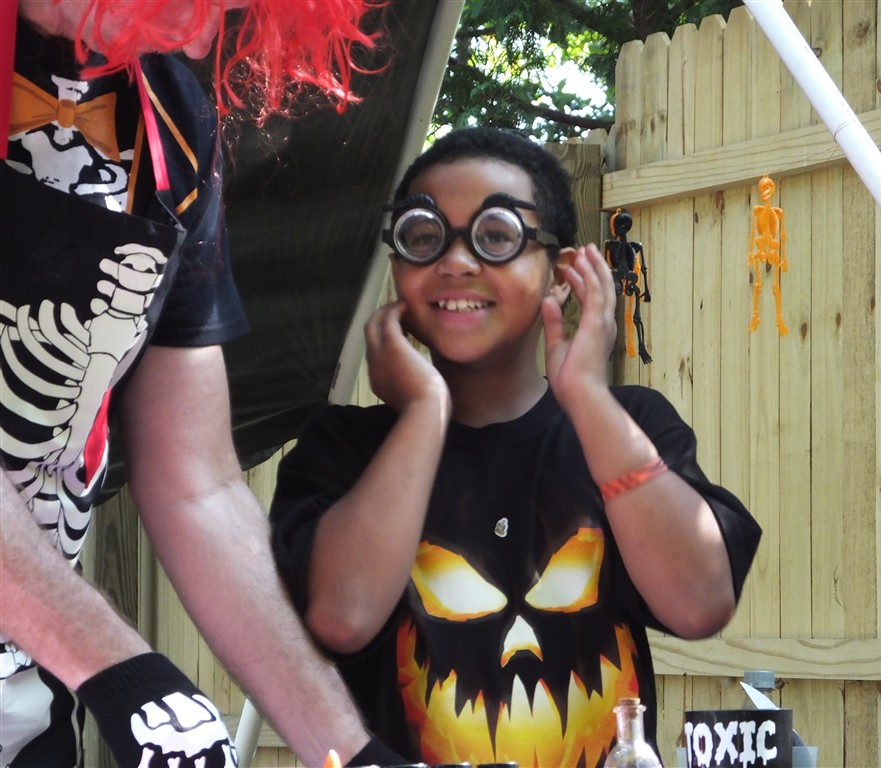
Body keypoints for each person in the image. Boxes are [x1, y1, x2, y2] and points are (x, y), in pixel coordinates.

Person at [269, 127, 763, 767]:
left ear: (560, 274)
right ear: (396, 270)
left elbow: (699, 605)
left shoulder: (627, 425)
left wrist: (586, 396)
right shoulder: (344, 448)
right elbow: (343, 617)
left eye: (496, 236)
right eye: (423, 236)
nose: (456, 261)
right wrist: (424, 412)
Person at [0, 1, 407, 766]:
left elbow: (198, 484)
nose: (206, 34)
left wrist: (353, 753)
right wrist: (123, 671)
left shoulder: (171, 115)